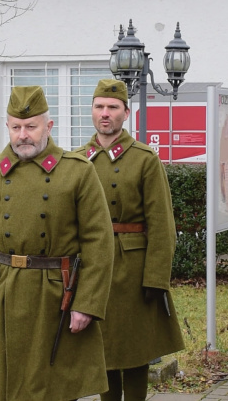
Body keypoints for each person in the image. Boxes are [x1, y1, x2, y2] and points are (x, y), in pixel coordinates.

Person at [0, 85, 115, 401]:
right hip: (2, 293)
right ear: (8, 127)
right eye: (16, 127)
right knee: (8, 387)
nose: (23, 135)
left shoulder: (77, 172)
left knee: (57, 386)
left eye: (31, 126)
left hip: (57, 294)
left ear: (48, 126)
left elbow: (98, 241)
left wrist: (87, 303)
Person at [75, 79, 185, 401]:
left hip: (134, 268)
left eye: (112, 107)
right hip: (92, 266)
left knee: (137, 350)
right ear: (92, 112)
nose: (105, 114)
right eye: (99, 107)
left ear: (126, 113)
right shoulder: (77, 160)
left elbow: (162, 225)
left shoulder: (144, 158)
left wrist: (156, 277)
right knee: (102, 344)